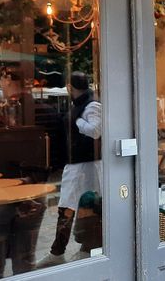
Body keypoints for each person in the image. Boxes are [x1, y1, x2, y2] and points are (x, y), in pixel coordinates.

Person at [37, 71, 102, 267]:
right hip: (78, 164)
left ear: (69, 87)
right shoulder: (83, 104)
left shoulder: (91, 105)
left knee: (82, 207)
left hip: (87, 165)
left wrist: (78, 122)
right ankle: (59, 251)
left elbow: (95, 130)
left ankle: (84, 248)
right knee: (69, 207)